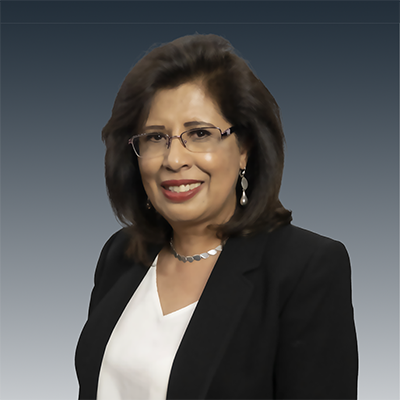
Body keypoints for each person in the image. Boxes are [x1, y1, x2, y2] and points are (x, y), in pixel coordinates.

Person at [75, 33, 358, 400]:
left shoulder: (306, 269)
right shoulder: (120, 253)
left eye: (199, 133)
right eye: (156, 137)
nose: (174, 159)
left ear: (245, 148)